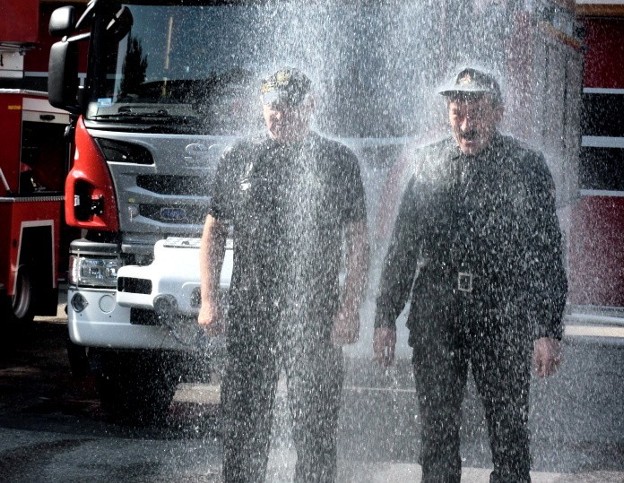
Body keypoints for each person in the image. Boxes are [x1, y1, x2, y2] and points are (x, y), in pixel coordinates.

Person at [373, 67, 567, 483]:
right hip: (437, 315)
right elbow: (403, 246)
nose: (466, 123)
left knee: (510, 437)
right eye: (457, 110)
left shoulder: (526, 166)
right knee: (437, 436)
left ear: (498, 112)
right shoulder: (427, 164)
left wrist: (546, 327)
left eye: (476, 111)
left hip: (502, 313)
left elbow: (546, 252)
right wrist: (385, 316)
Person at [198, 67, 369, 483]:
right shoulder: (238, 157)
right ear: (263, 106)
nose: (279, 115)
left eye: (289, 107)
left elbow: (359, 242)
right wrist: (209, 299)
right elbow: (213, 230)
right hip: (250, 316)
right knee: (242, 429)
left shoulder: (337, 161)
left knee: (314, 432)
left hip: (315, 319)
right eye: (273, 107)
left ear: (309, 108)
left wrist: (349, 309)